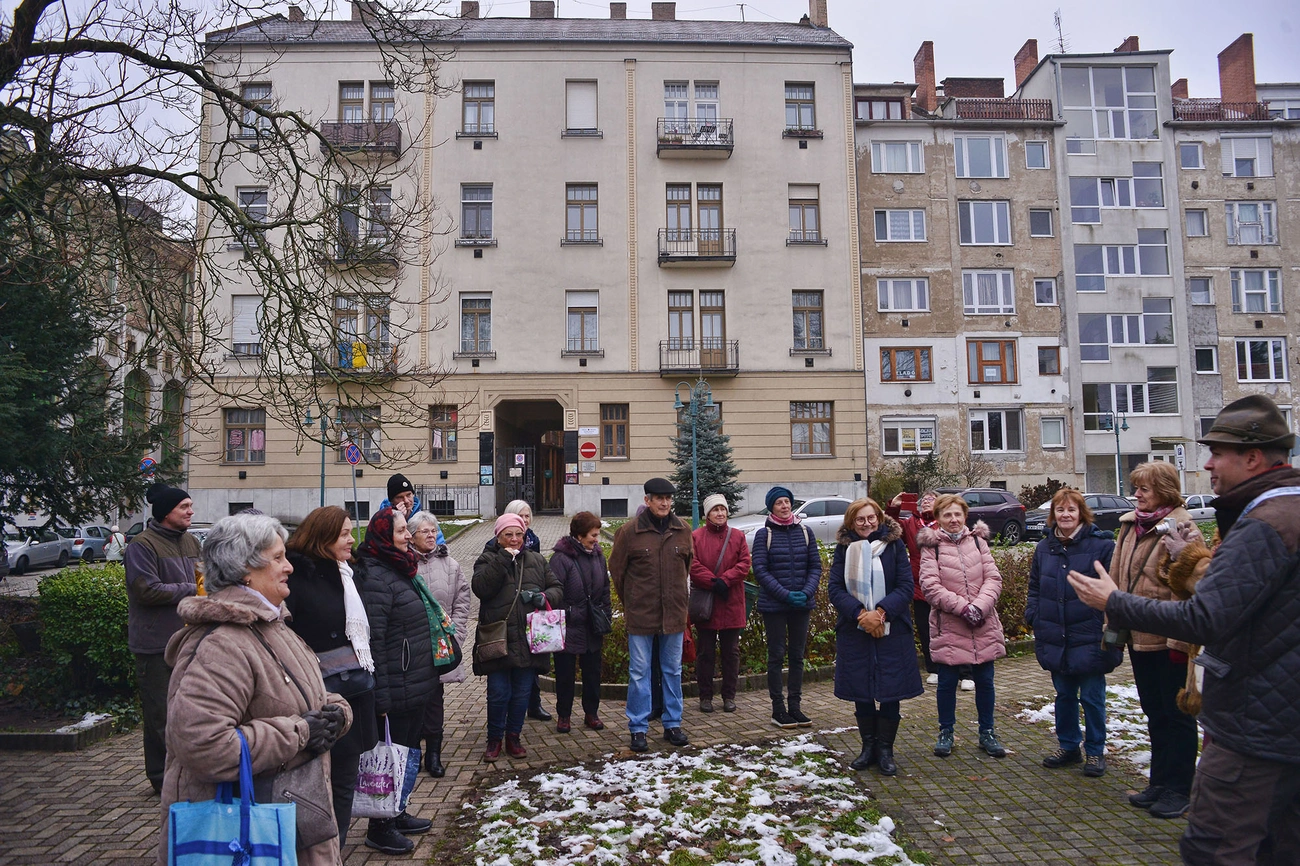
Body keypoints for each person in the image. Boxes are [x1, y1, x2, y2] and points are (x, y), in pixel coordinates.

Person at [1070, 395, 1300, 864]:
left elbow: (1206, 615)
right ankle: (1161, 782)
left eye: (1218, 453)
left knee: (1215, 846)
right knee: (1276, 844)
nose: (1208, 464)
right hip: (1271, 710)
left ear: (1253, 457)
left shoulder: (1263, 523)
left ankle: (1176, 787)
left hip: (1255, 718)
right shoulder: (1279, 512)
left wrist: (1114, 602)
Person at [158, 512, 352, 866]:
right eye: (277, 558)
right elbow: (203, 744)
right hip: (248, 834)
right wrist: (300, 732)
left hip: (295, 823)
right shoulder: (223, 643)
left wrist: (338, 712)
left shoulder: (272, 625)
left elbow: (303, 696)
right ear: (244, 569)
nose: (289, 566)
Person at [1104, 460, 1199, 819]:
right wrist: (1113, 626)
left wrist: (1180, 643)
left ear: (1164, 490)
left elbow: (1185, 589)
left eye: (1144, 489)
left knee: (1176, 716)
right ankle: (1159, 782)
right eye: (1136, 488)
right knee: (1154, 712)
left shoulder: (1183, 526)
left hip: (1169, 640)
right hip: (1138, 635)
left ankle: (1179, 789)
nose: (1137, 495)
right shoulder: (1131, 525)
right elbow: (1116, 577)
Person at [284, 505, 378, 845]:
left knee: (344, 781)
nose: (352, 540)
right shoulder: (297, 578)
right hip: (316, 698)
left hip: (354, 693)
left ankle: (336, 849)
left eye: (351, 532)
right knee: (315, 783)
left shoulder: (348, 574)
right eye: (344, 534)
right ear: (322, 538)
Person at [354, 507, 436, 855]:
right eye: (401, 531)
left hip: (412, 681)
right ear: (384, 536)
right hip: (396, 686)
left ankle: (397, 811)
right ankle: (380, 826)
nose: (407, 536)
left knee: (406, 752)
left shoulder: (399, 567)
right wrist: (382, 699)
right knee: (391, 756)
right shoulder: (375, 576)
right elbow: (374, 642)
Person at [1025, 489, 1121, 778]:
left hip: (1090, 634)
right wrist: (1034, 615)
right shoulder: (1045, 548)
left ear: (1081, 513)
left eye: (1071, 510)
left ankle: (1095, 751)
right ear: (1053, 514)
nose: (1065, 515)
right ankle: (1068, 746)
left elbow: (1113, 589)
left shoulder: (1101, 546)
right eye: (1060, 510)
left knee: (1092, 697)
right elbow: (1035, 586)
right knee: (1064, 695)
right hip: (1055, 633)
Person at [827, 498, 923, 776]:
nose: (866, 523)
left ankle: (885, 750)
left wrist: (880, 613)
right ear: (851, 522)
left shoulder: (894, 546)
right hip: (855, 629)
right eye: (860, 519)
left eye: (871, 518)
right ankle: (868, 747)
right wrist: (861, 614)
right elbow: (835, 589)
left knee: (891, 691)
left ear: (879, 518)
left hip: (892, 629)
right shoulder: (844, 548)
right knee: (862, 691)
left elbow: (905, 586)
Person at [918, 494, 1007, 758]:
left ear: (965, 516)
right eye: (947, 515)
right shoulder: (931, 547)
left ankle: (987, 732)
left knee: (985, 682)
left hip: (983, 623)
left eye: (957, 514)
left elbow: (993, 578)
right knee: (946, 683)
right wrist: (963, 608)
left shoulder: (979, 542)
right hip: (949, 625)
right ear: (938, 518)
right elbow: (930, 586)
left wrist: (979, 607)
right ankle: (946, 732)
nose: (953, 519)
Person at [125, 483, 200, 795]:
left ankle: (188, 775)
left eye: (190, 506)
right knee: (160, 715)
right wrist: (192, 589)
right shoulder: (142, 545)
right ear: (166, 512)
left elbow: (205, 577)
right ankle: (161, 779)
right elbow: (146, 590)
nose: (191, 512)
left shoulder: (192, 541)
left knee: (189, 713)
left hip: (189, 640)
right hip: (155, 644)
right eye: (184, 507)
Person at [609, 478, 693, 753]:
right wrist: (632, 602)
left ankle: (673, 724)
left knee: (672, 671)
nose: (665, 503)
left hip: (674, 616)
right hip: (641, 616)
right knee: (639, 673)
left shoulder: (683, 530)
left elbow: (687, 568)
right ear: (647, 501)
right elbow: (618, 572)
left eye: (668, 498)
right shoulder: (629, 532)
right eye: (659, 498)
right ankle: (638, 728)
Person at [471, 513, 563, 761]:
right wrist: (503, 559)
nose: (514, 539)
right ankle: (494, 739)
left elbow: (557, 588)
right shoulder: (487, 559)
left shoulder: (536, 560)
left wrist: (544, 597)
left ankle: (514, 736)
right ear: (498, 536)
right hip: (499, 638)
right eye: (508, 534)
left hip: (527, 639)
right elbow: (481, 588)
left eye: (519, 534)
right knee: (498, 693)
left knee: (522, 693)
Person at [752, 485, 821, 729]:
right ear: (771, 507)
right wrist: (785, 595)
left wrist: (806, 592)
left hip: (801, 605)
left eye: (787, 501)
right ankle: (778, 709)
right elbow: (760, 570)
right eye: (779, 502)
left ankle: (795, 706)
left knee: (797, 656)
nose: (784, 506)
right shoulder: (764, 535)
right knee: (776, 655)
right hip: (775, 606)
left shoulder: (805, 532)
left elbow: (815, 566)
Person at [408, 511, 470, 777]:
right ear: (411, 537)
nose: (431, 535)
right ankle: (413, 753)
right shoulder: (404, 564)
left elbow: (462, 600)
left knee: (435, 700)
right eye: (425, 531)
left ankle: (434, 754)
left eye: (434, 530)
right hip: (412, 647)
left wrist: (456, 634)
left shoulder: (450, 564)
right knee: (413, 702)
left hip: (440, 647)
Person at [549, 511, 612, 732]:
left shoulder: (598, 556)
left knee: (592, 674)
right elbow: (554, 591)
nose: (596, 539)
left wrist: (605, 614)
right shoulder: (561, 559)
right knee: (565, 674)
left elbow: (605, 589)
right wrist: (569, 612)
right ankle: (564, 715)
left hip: (592, 625)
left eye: (597, 534)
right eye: (593, 535)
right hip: (568, 626)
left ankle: (591, 714)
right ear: (579, 535)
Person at [689, 493, 751, 714]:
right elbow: (692, 564)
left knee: (731, 653)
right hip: (707, 604)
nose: (720, 513)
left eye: (722, 509)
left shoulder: (738, 536)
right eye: (715, 510)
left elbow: (745, 563)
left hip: (731, 601)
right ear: (707, 514)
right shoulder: (696, 537)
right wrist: (713, 582)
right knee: (705, 653)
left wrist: (726, 580)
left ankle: (729, 696)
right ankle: (705, 696)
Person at [501, 499, 549, 721]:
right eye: (520, 515)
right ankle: (509, 708)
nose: (525, 520)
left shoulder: (533, 540)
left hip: (531, 609)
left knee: (532, 660)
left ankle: (534, 704)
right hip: (510, 612)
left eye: (527, 515)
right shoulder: (498, 543)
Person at [888, 490, 940, 685]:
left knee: (951, 628)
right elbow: (890, 530)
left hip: (945, 583)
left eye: (931, 499)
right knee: (926, 629)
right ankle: (933, 668)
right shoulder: (911, 523)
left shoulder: (944, 521)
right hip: (920, 584)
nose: (926, 502)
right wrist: (894, 508)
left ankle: (964, 672)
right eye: (924, 499)